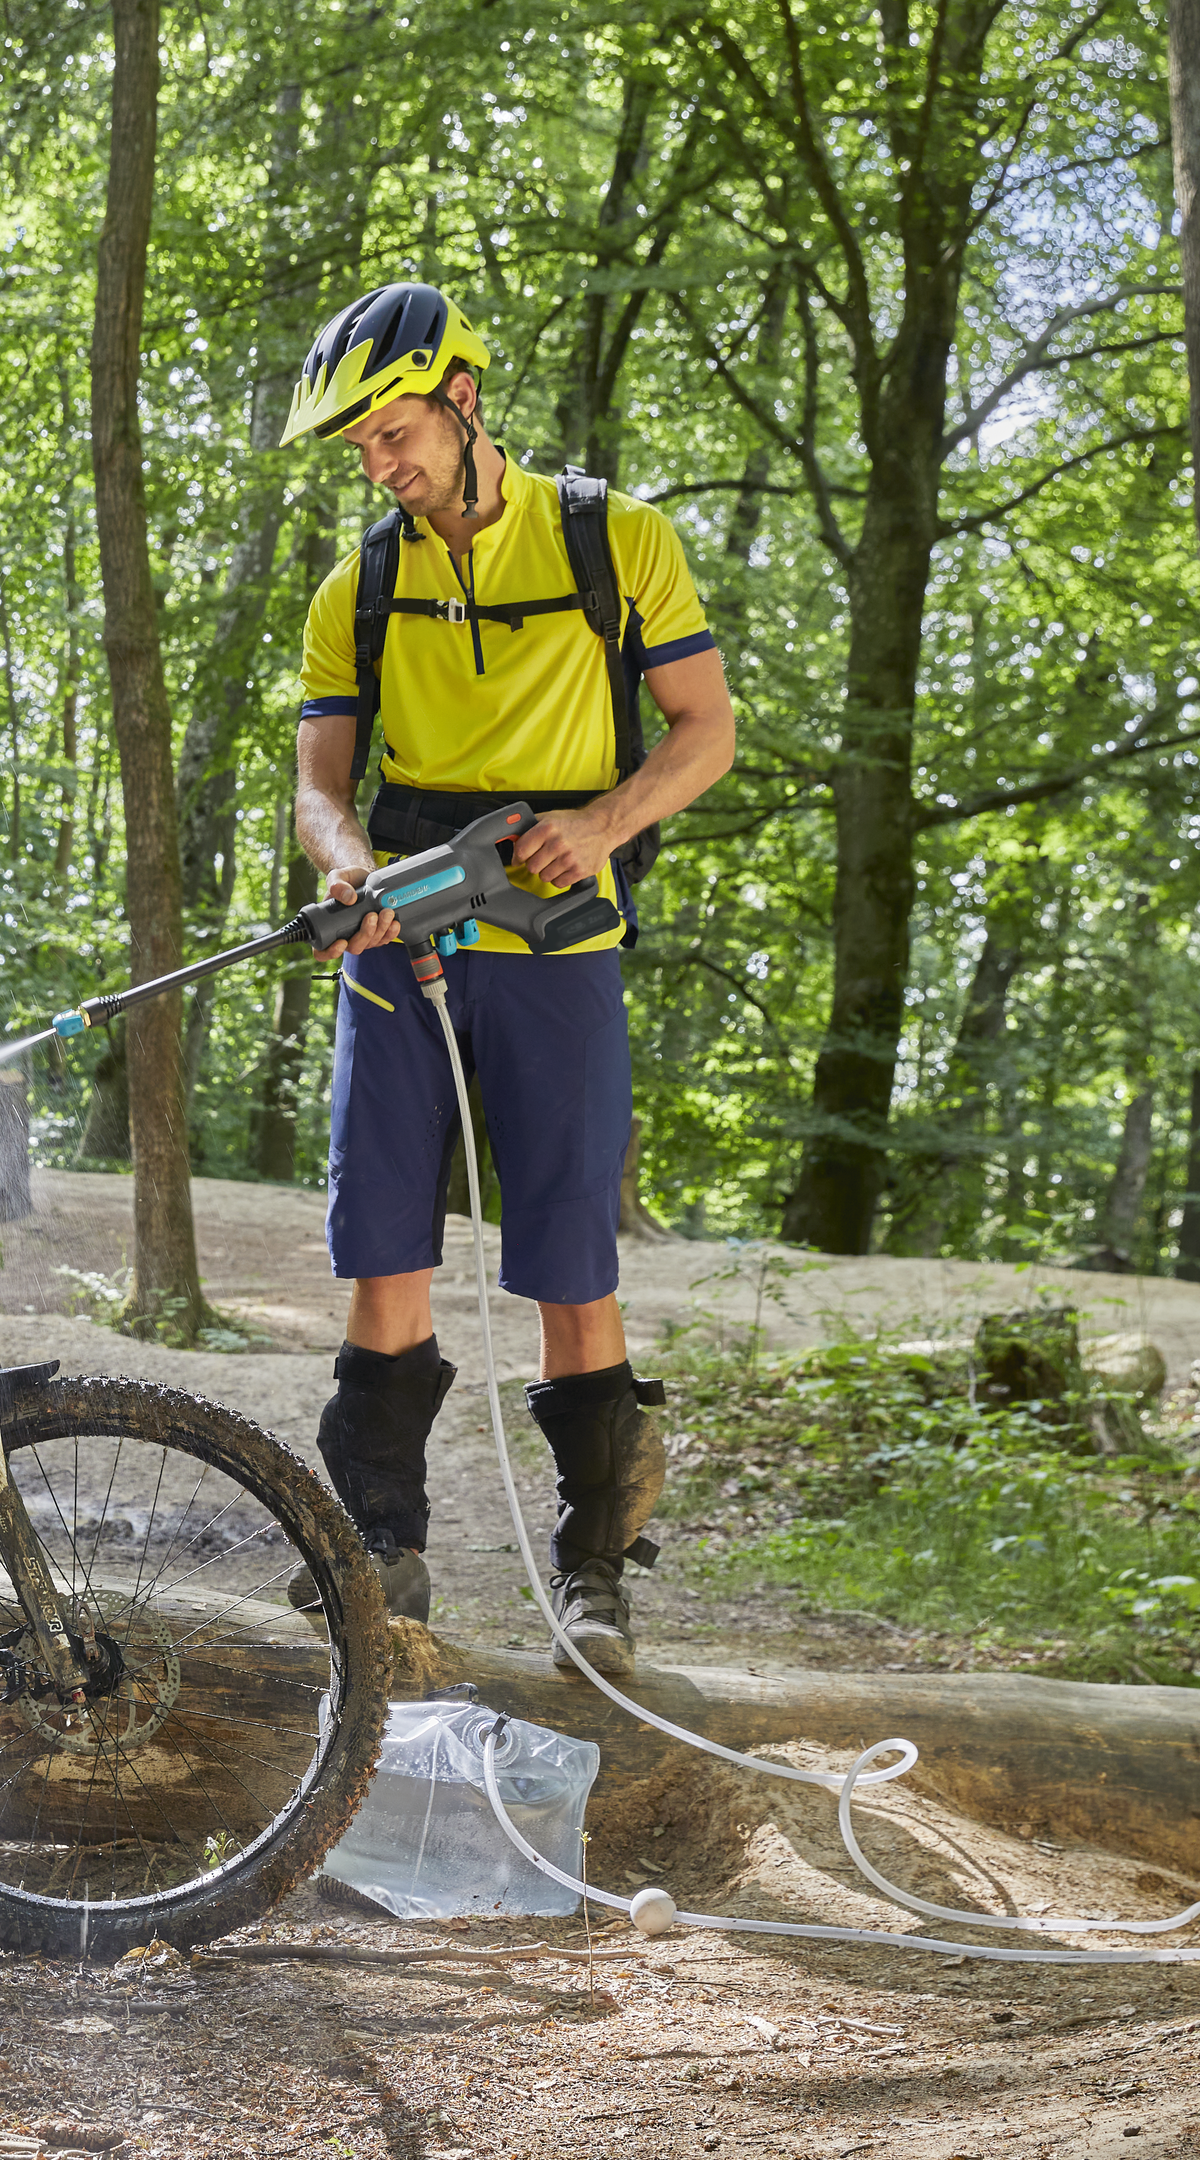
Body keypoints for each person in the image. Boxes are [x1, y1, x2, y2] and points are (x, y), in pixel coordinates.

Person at [279, 282, 737, 1678]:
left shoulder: (619, 542)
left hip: (560, 934)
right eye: (363, 448)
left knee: (567, 1252)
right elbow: (317, 782)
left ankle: (597, 1570)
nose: (383, 464)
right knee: (382, 1247)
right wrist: (349, 863)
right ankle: (382, 1556)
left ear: (467, 402)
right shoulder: (361, 582)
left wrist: (599, 827)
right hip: (399, 934)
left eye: (397, 432)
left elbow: (706, 731)